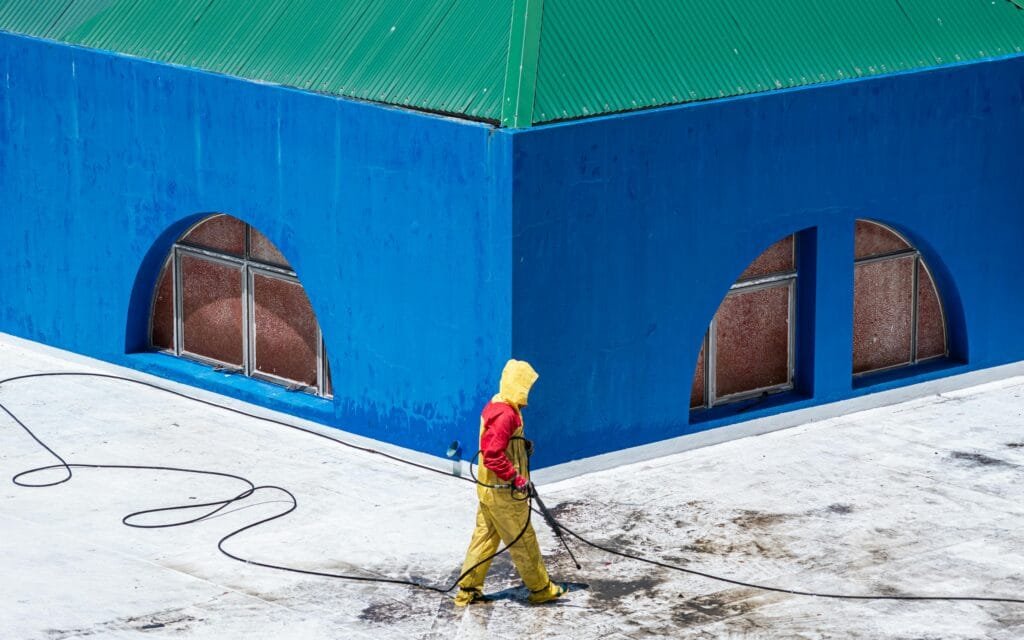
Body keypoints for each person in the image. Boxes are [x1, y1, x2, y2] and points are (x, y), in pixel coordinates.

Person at [453, 359, 567, 606]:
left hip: (488, 490)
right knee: (523, 539)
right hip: (504, 492)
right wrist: (516, 478)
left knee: (484, 537)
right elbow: (493, 455)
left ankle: (468, 589)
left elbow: (498, 443)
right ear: (519, 385)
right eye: (527, 385)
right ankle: (541, 589)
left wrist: (521, 446)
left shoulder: (497, 404)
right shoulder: (506, 415)